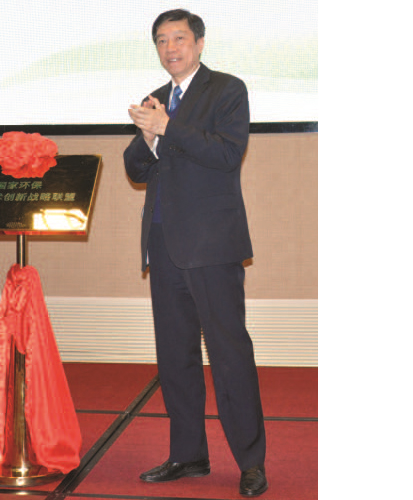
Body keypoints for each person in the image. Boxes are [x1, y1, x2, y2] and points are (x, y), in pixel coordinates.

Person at [124, 9, 268, 497]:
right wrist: (148, 137)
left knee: (229, 355)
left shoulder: (226, 90)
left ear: (200, 43)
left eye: (179, 39)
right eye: (162, 40)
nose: (170, 48)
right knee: (175, 358)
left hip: (212, 245)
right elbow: (136, 169)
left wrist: (168, 127)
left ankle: (251, 462)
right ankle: (188, 454)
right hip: (163, 244)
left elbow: (227, 153)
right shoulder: (156, 99)